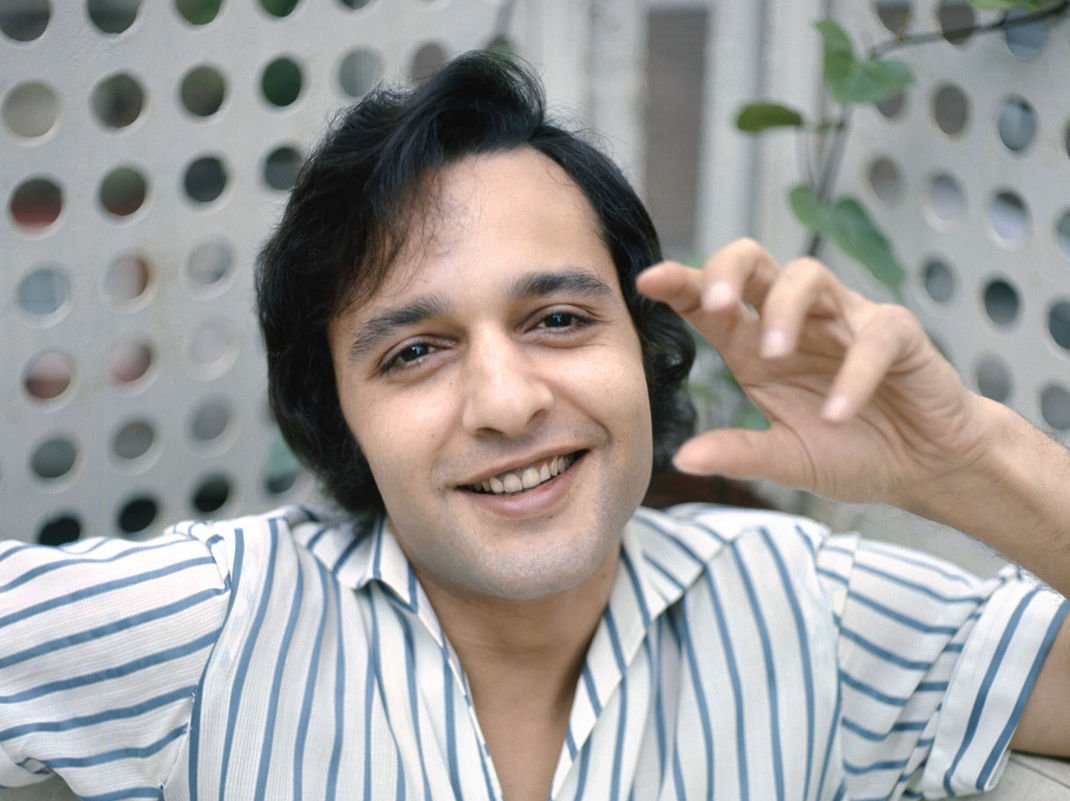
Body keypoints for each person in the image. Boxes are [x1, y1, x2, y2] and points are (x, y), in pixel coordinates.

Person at [1, 51, 1067, 801]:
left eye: (557, 319)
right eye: (413, 351)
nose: (507, 403)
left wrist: (965, 459)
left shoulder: (811, 611)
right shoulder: (212, 625)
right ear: (340, 418)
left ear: (641, 345)